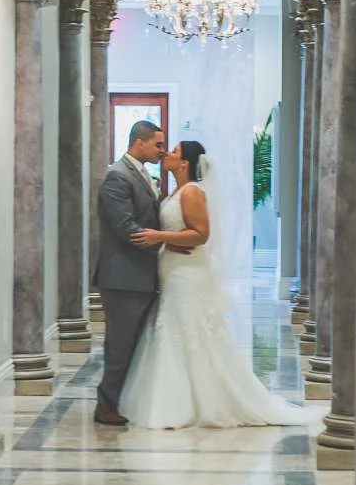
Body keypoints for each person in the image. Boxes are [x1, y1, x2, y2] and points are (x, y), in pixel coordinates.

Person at [118, 140, 320, 430]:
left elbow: (201, 234)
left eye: (174, 151)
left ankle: (204, 402)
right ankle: (176, 399)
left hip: (188, 273)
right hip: (173, 270)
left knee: (190, 330)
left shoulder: (192, 192)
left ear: (185, 163)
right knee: (173, 329)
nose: (167, 154)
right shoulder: (175, 191)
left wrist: (159, 237)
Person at [93, 119, 167, 426]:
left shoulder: (140, 173)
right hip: (123, 277)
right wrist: (165, 243)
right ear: (139, 142)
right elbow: (125, 227)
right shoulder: (118, 176)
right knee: (120, 345)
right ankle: (106, 405)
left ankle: (119, 400)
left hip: (139, 275)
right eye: (158, 144)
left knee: (133, 344)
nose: (162, 151)